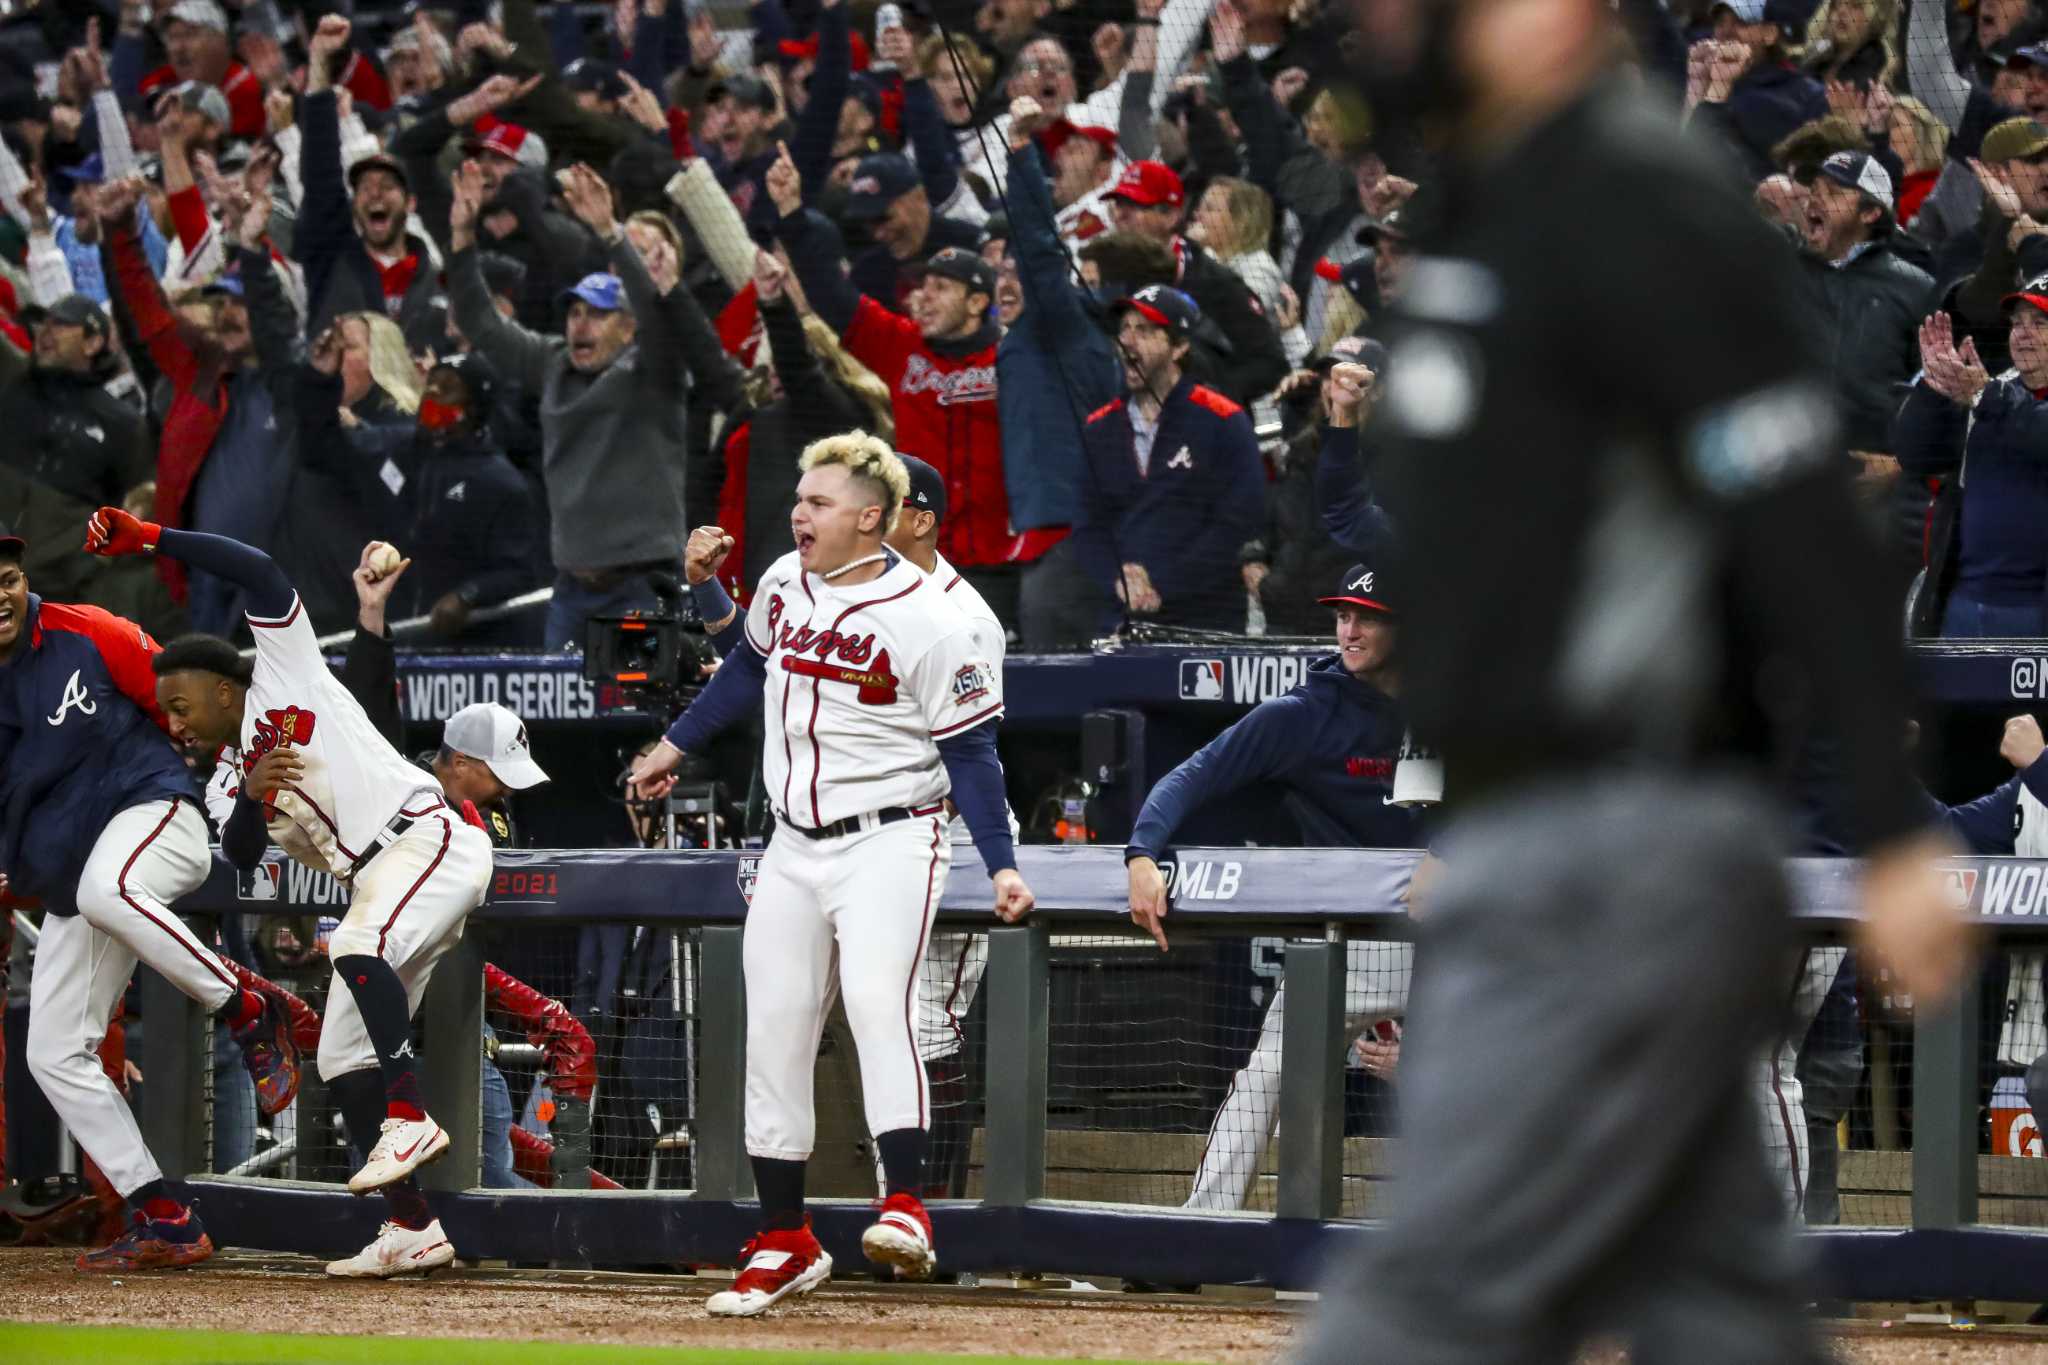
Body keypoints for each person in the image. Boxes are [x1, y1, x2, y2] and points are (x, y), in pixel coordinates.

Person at [1292, 0, 1967, 1357]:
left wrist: (1892, 827)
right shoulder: (1492, 198)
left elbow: (1790, 503)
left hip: (1615, 828)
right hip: (1545, 827)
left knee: (1428, 1301)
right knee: (1713, 1307)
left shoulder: (1632, 198)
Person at [627, 435, 1034, 1317]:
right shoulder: (782, 582)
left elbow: (974, 755)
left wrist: (1002, 865)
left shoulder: (936, 617)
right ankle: (784, 1236)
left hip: (891, 836)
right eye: (800, 497)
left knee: (879, 1003)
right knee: (773, 1026)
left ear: (870, 517)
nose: (798, 513)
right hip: (792, 841)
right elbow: (745, 668)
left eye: (817, 502)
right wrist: (671, 746)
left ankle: (908, 1205)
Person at [82, 508, 495, 1279]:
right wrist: (249, 794)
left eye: (182, 704)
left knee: (357, 942)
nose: (175, 721)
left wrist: (150, 536)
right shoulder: (226, 776)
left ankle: (407, 1114)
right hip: (380, 876)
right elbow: (237, 854)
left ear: (221, 687)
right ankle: (412, 1226)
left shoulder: (284, 668)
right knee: (339, 1055)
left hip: (425, 840)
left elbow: (257, 569)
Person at [0, 521, 300, 1273]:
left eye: (5, 578)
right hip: (80, 881)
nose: (0, 596)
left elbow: (200, 698)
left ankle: (247, 1006)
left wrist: (247, 796)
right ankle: (162, 1213)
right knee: (53, 1051)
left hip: (155, 815)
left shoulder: (86, 632)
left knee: (111, 886)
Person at [1125, 563, 1418, 1212]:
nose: (1350, 628)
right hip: (1357, 942)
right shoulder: (1307, 714)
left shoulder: (1450, 701)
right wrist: (1143, 850)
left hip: (1458, 936)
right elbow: (1192, 775)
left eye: (1368, 616)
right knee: (1264, 1077)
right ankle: (1199, 1231)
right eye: (1343, 614)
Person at [448, 159, 731, 650]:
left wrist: (609, 231)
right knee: (559, 722)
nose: (581, 324)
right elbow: (481, 322)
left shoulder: (655, 370)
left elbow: (657, 314)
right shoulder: (553, 362)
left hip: (642, 587)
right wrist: (460, 238)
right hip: (571, 590)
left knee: (637, 717)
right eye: (575, 312)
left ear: (629, 327)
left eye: (599, 315)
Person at [770, 144, 1056, 622]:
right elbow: (832, 295)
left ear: (975, 302)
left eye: (941, 288)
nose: (923, 298)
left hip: (1001, 557)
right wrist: (793, 216)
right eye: (923, 286)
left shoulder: (1013, 356)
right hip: (919, 560)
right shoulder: (903, 347)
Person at [1074, 284, 1265, 629]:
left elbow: (1236, 524)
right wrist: (1118, 580)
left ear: (1179, 347)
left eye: (1144, 331)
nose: (1127, 341)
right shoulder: (1099, 428)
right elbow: (1088, 527)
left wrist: (1161, 583)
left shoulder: (1224, 420)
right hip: (1121, 615)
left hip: (1204, 620)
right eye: (1124, 330)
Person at [1895, 301, 2048, 636]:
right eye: (2017, 323)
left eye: (2039, 324)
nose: (2024, 334)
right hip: (1963, 604)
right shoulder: (1987, 392)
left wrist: (1987, 395)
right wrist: (1933, 393)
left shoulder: (1989, 395)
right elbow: (1918, 457)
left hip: (2034, 612)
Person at [1104, 158, 1290, 405]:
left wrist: (1205, 395)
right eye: (1118, 205)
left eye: (1135, 205)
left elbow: (1270, 364)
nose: (1120, 215)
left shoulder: (1215, 282)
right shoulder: (1109, 280)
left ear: (1170, 216)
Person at [1793, 151, 1935, 456]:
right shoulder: (1778, 271)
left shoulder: (1917, 287)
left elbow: (1931, 394)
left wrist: (1899, 465)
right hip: (1787, 468)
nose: (1815, 200)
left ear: (1870, 213)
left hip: (1872, 473)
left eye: (1833, 192)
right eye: (1814, 190)